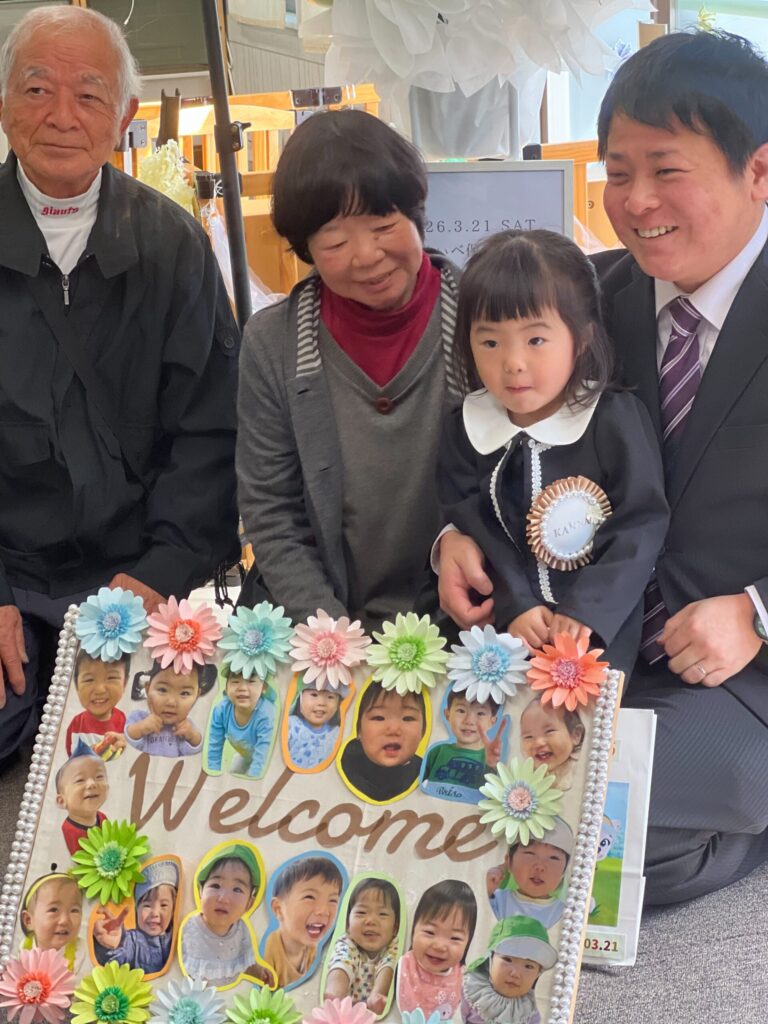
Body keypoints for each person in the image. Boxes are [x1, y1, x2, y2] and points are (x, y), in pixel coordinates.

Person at [438, 29, 768, 905]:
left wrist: (756, 611)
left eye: (666, 170)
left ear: (760, 171)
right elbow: (501, 431)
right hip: (579, 642)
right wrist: (452, 536)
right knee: (461, 776)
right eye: (618, 173)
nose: (636, 202)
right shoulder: (583, 298)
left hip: (735, 674)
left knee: (540, 815)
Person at [0, 5, 239, 768]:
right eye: (37, 89)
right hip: (11, 575)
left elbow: (212, 432)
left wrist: (155, 579)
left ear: (125, 115)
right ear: (3, 103)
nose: (61, 115)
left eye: (89, 95)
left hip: (137, 575)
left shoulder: (172, 245)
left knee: (161, 752)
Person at [236, 108, 463, 634]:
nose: (366, 256)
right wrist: (332, 638)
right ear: (306, 250)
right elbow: (271, 511)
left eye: (383, 227)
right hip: (320, 630)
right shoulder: (273, 344)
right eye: (335, 243)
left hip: (465, 627)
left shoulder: (484, 320)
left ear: (415, 214)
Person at [438, 229, 669, 672]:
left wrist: (589, 611)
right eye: (490, 342)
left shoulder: (613, 418)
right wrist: (514, 603)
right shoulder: (465, 425)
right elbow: (473, 526)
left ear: (581, 339)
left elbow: (640, 523)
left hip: (595, 636)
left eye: (536, 340)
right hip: (498, 631)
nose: (513, 363)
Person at [179, 844, 274, 989]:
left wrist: (258, 972)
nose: (223, 898)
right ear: (200, 892)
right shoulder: (189, 929)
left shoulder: (241, 930)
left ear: (249, 903)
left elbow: (243, 962)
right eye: (215, 886)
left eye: (237, 889)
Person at [396, 879, 477, 1021]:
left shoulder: (464, 979)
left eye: (455, 938)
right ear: (414, 929)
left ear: (468, 942)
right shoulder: (402, 966)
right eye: (430, 932)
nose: (440, 946)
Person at [262, 855, 343, 988]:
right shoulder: (268, 951)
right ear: (278, 909)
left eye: (332, 900)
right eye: (309, 897)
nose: (323, 910)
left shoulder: (311, 951)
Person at [339, 682, 427, 802]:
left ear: (423, 731)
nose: (394, 729)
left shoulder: (423, 771)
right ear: (359, 729)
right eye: (379, 718)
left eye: (408, 718)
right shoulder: (348, 762)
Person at [325, 877, 401, 1014]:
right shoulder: (347, 942)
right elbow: (341, 963)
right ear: (348, 924)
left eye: (382, 914)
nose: (371, 921)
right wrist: (335, 992)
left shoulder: (393, 945)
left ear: (395, 927)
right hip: (345, 1012)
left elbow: (388, 965)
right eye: (361, 912)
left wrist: (378, 994)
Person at [460, 917, 556, 1024]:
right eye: (508, 959)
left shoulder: (529, 1013)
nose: (515, 974)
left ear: (538, 974)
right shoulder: (469, 991)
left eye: (528, 966)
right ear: (490, 958)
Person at [93, 858, 178, 975]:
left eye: (163, 905)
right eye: (147, 905)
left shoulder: (178, 937)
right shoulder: (131, 942)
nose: (155, 913)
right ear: (137, 909)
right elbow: (114, 961)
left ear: (173, 910)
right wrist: (111, 947)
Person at [485, 818, 573, 928]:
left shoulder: (566, 913)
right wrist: (487, 891)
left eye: (553, 858)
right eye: (530, 853)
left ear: (564, 870)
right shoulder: (498, 901)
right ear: (509, 862)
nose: (540, 866)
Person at [421, 690, 505, 802]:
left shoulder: (494, 761)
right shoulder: (436, 752)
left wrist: (492, 766)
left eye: (480, 713)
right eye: (461, 711)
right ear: (447, 714)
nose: (469, 721)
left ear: (492, 721)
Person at [205, 668, 277, 778]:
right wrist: (212, 773)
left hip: (269, 759)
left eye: (251, 681)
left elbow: (262, 753)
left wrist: (253, 778)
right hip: (246, 755)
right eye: (235, 681)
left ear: (263, 687)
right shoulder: (221, 710)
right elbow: (215, 744)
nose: (242, 688)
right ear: (226, 687)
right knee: (234, 770)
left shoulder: (266, 714)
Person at [125, 664, 203, 758]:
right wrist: (140, 729)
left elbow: (195, 754)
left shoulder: (186, 725)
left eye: (184, 693)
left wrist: (192, 736)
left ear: (196, 697)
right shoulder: (139, 717)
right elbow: (126, 742)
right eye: (162, 690)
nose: (171, 702)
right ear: (147, 689)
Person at [65, 651, 129, 759]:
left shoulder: (125, 722)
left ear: (125, 683)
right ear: (76, 686)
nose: (100, 689)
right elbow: (71, 758)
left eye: (111, 678)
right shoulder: (76, 724)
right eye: (89, 680)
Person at [519, 695, 584, 791]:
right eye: (528, 737)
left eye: (549, 731)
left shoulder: (581, 772)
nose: (538, 742)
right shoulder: (525, 778)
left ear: (576, 735)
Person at [20, 873, 83, 970]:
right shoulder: (23, 949)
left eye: (74, 910)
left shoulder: (83, 952)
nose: (64, 920)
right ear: (28, 920)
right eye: (53, 910)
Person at [54, 742, 108, 855]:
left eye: (99, 777)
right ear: (62, 801)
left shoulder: (102, 818)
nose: (92, 784)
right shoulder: (69, 831)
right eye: (80, 780)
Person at [286, 679, 343, 771]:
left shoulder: (337, 733)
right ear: (300, 698)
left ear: (338, 705)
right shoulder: (290, 725)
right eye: (314, 695)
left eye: (330, 697)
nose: (322, 703)